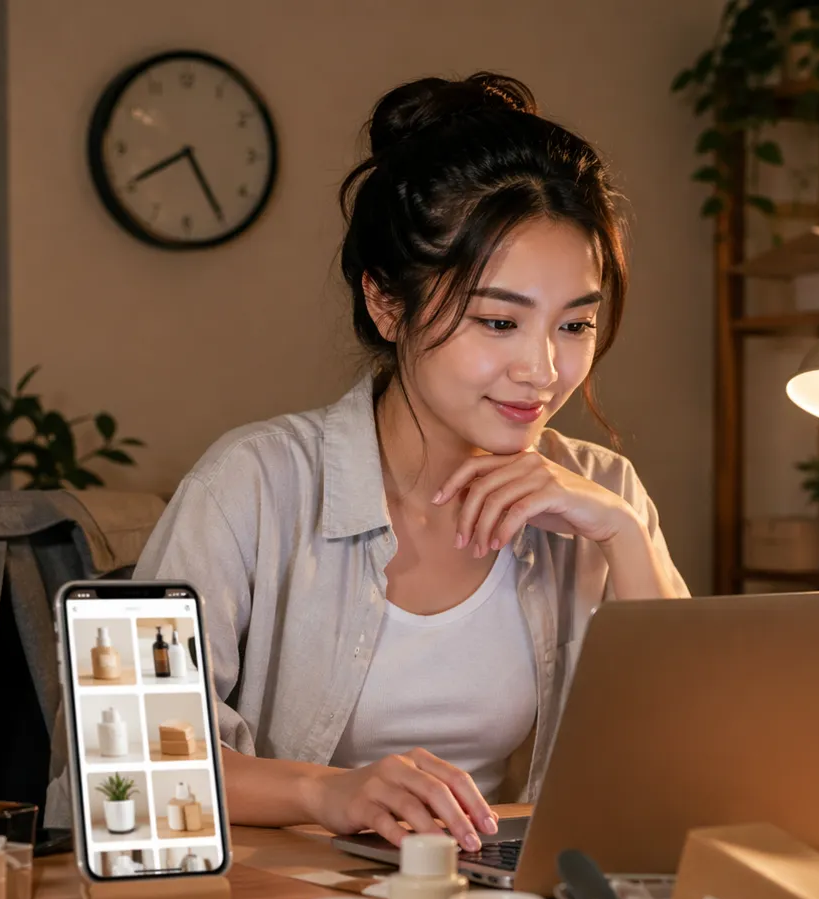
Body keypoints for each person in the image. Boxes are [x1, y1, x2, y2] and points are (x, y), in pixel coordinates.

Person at [133, 72, 688, 854]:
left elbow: (692, 765)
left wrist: (623, 536)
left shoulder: (600, 494)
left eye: (574, 324)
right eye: (499, 321)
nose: (542, 369)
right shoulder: (253, 485)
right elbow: (127, 760)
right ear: (386, 303)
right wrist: (328, 791)